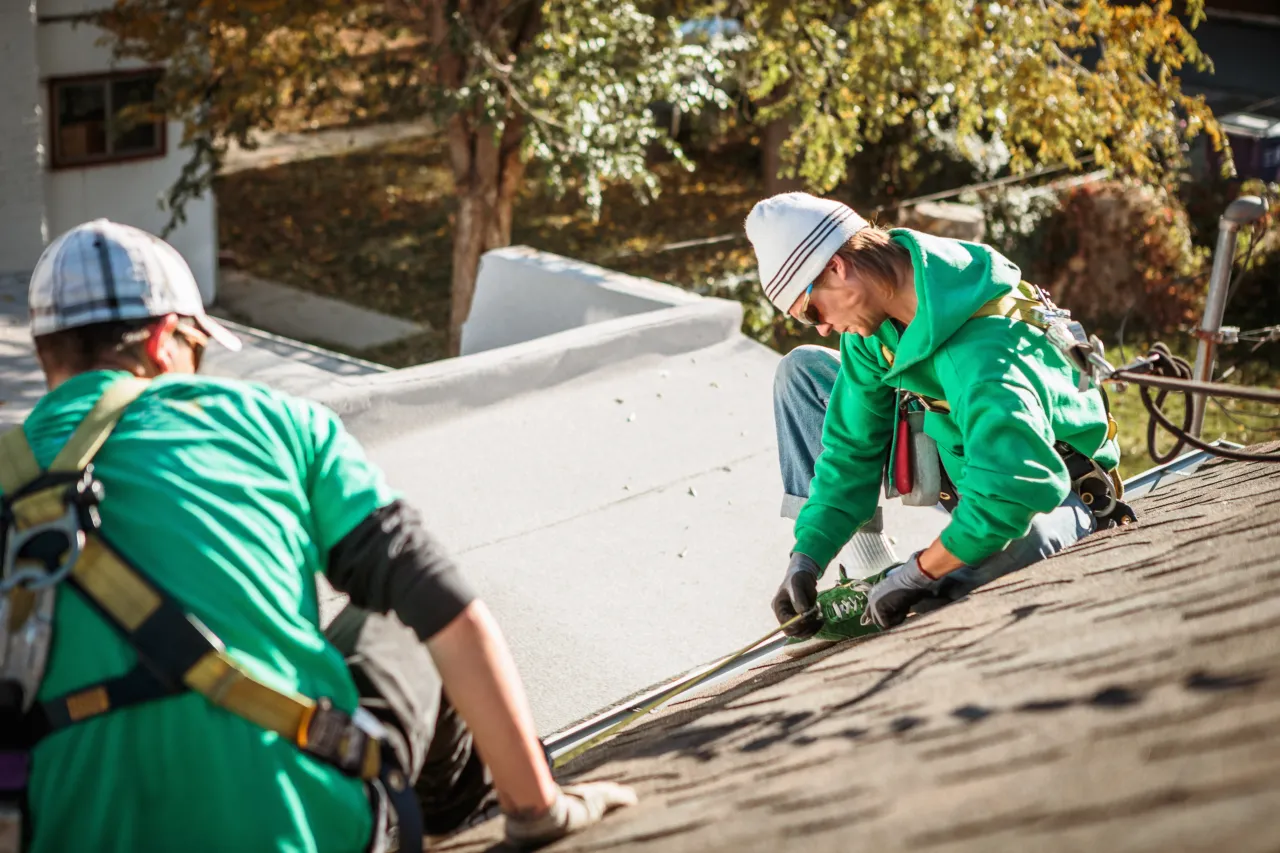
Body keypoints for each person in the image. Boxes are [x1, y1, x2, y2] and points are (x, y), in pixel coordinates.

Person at [0, 220, 633, 852]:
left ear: (46, 352)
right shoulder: (276, 422)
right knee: (399, 620)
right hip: (299, 830)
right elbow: (449, 611)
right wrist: (543, 811)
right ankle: (476, 821)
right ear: (167, 339)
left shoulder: (8, 470)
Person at [745, 193, 1123, 637]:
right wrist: (806, 556)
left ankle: (913, 583)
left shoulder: (982, 349)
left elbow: (1013, 493)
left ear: (836, 267)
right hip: (966, 465)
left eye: (812, 312)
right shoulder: (875, 326)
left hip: (1051, 491)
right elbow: (851, 450)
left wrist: (918, 574)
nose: (823, 327)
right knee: (803, 371)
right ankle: (877, 573)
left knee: (1007, 550)